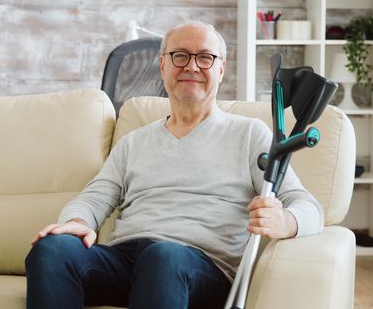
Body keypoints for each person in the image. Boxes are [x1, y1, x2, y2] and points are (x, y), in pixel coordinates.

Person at [25, 21, 324, 309]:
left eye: (205, 58)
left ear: (221, 69)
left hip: (201, 267)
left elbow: (309, 207)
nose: (192, 66)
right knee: (53, 248)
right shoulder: (134, 141)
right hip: (127, 260)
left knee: (163, 256)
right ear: (163, 65)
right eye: (180, 56)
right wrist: (77, 223)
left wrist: (285, 221)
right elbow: (93, 199)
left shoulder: (250, 134)